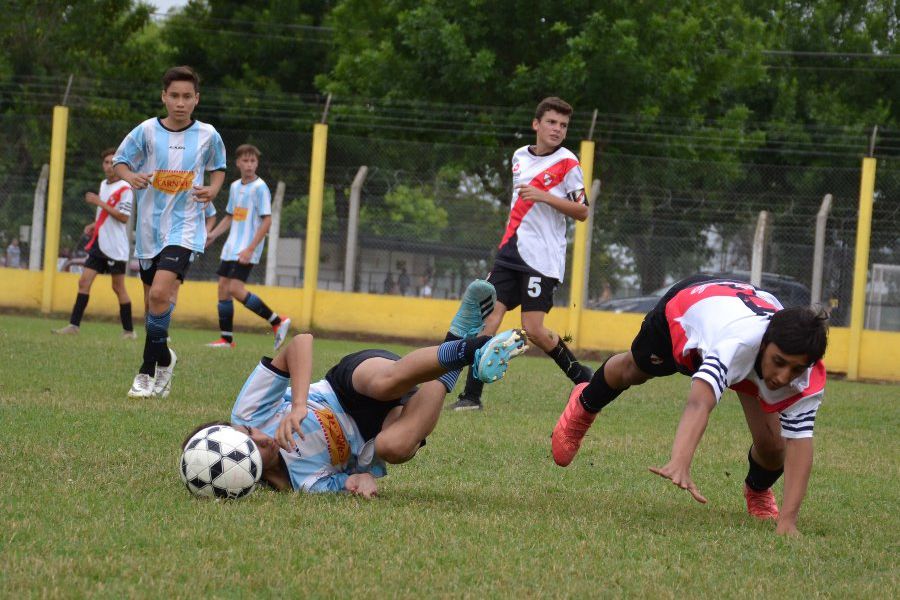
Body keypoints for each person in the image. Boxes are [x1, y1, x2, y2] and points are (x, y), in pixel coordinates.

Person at [182, 280, 528, 496]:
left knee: (384, 382)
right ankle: (460, 342)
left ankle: (472, 347)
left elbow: (301, 342)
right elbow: (354, 481)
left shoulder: (246, 411)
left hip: (346, 386)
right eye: (253, 449)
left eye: (248, 433)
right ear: (246, 474)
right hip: (371, 436)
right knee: (397, 447)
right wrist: (360, 483)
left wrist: (300, 405)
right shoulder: (302, 486)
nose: (261, 437)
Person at [552, 274, 829, 536]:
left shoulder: (805, 374)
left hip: (739, 325)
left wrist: (788, 521)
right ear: (765, 343)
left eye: (795, 369)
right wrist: (680, 460)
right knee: (633, 370)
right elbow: (699, 403)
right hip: (688, 307)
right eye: (778, 362)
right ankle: (585, 402)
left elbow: (800, 444)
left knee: (774, 445)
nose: (783, 377)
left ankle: (756, 490)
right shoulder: (735, 344)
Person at [450, 97, 592, 411]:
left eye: (563, 125)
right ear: (536, 124)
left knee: (535, 329)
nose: (557, 129)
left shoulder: (568, 163)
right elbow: (519, 205)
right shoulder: (519, 157)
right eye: (552, 122)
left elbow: (582, 211)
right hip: (510, 252)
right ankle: (471, 397)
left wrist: (544, 196)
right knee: (487, 319)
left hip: (542, 259)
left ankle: (583, 377)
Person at [113, 65, 226, 399]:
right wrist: (129, 176)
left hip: (186, 226)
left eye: (187, 96)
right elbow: (121, 160)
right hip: (149, 230)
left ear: (196, 99)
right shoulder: (146, 131)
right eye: (174, 95)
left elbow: (218, 167)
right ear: (164, 97)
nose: (180, 102)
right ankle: (165, 357)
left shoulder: (208, 134)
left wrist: (214, 189)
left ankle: (146, 372)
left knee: (161, 295)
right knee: (152, 304)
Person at [204, 144, 290, 349]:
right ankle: (226, 339)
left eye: (253, 161)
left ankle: (277, 321)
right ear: (238, 163)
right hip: (231, 247)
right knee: (223, 289)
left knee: (235, 288)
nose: (249, 165)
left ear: (257, 163)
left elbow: (267, 221)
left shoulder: (260, 188)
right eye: (245, 160)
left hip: (247, 248)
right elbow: (231, 216)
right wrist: (213, 235)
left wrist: (250, 248)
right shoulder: (235, 186)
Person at [53, 148, 136, 338]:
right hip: (100, 244)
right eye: (106, 162)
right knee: (84, 282)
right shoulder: (103, 184)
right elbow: (106, 214)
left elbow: (123, 217)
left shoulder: (125, 188)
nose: (109, 166)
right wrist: (94, 224)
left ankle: (129, 331)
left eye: (113, 163)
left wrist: (99, 203)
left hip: (115, 247)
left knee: (118, 287)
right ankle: (73, 326)